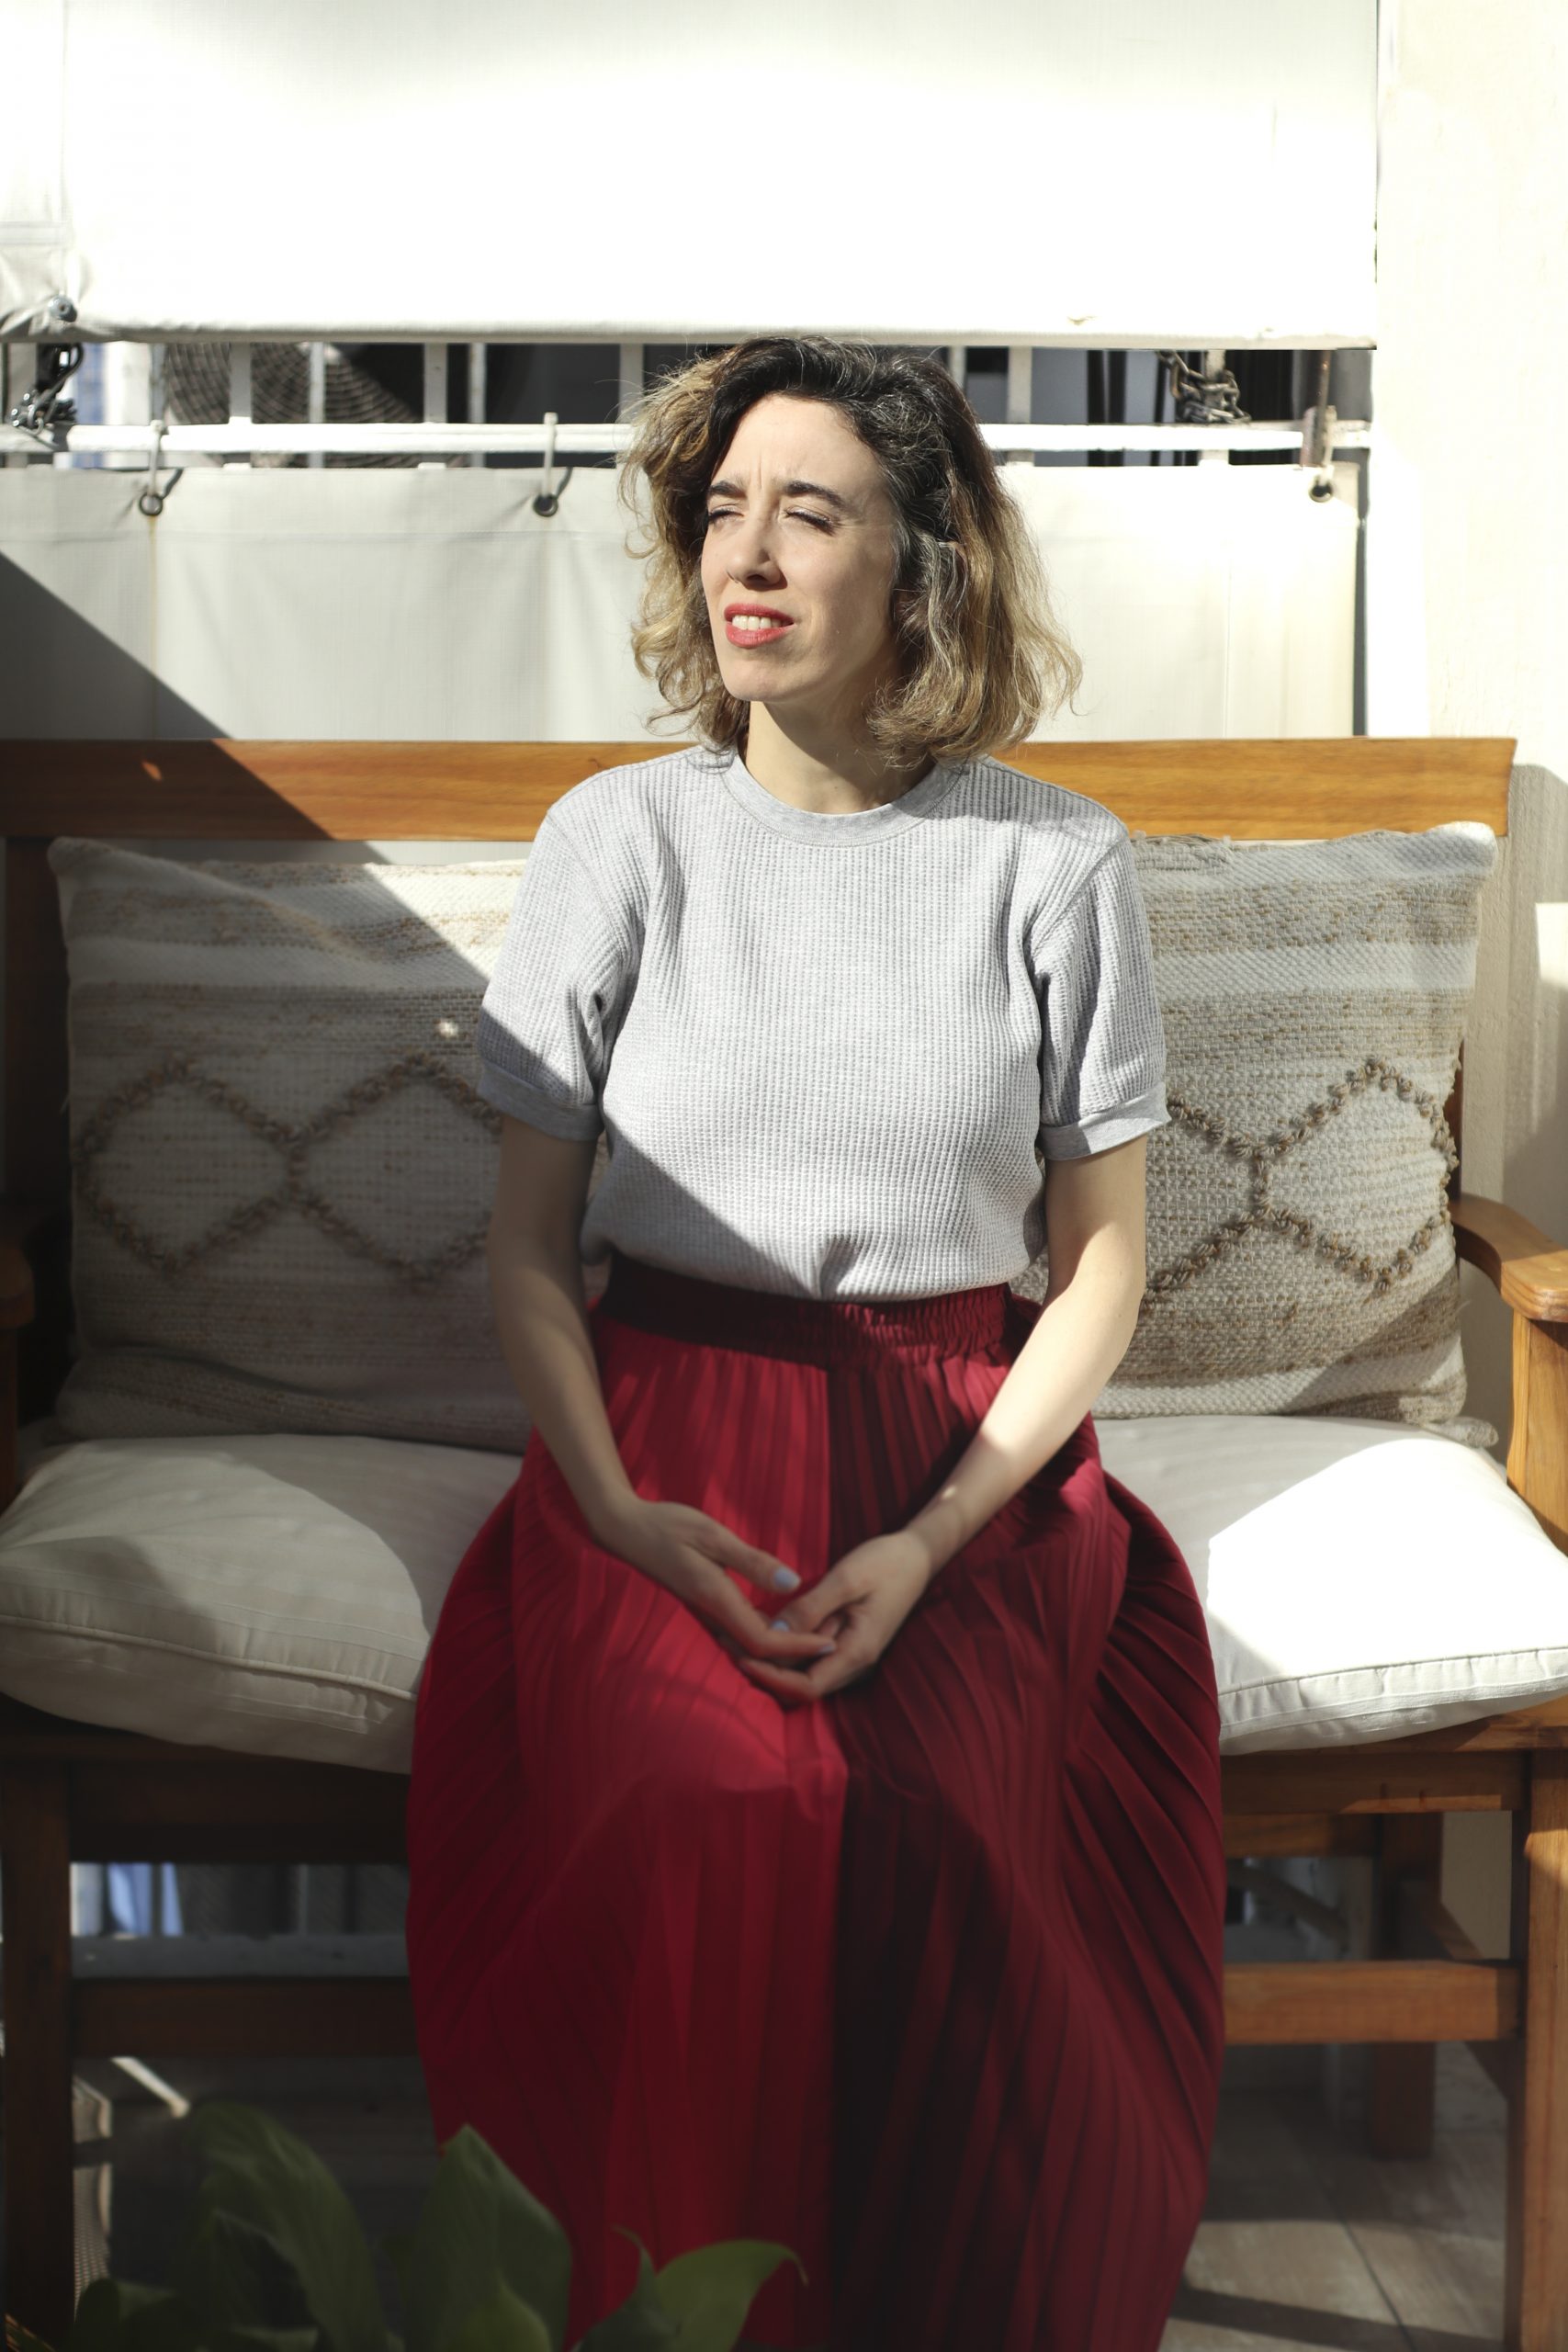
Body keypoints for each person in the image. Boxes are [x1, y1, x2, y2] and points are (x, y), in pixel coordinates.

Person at [403, 335, 1227, 2352]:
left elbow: (1099, 1267)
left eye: (808, 512)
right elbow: (526, 1249)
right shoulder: (619, 840)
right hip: (661, 1439)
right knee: (721, 1806)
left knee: (932, 1820)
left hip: (966, 1460)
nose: (744, 557)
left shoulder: (1054, 860)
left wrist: (936, 1538)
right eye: (720, 512)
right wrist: (616, 1507)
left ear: (922, 567)